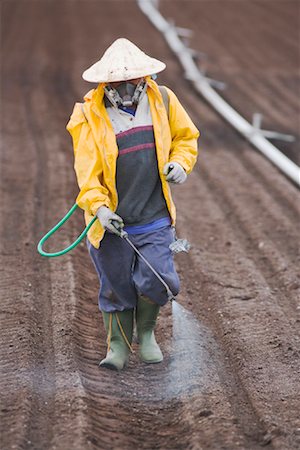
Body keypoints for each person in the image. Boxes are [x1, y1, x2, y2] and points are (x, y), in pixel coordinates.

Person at [66, 38, 200, 371]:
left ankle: (147, 333)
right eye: (117, 83)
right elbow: (87, 172)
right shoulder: (88, 115)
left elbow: (186, 138)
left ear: (144, 79)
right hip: (112, 221)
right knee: (116, 286)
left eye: (132, 81)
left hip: (154, 217)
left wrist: (181, 164)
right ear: (104, 83)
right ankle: (118, 347)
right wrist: (99, 208)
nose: (125, 88)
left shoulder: (163, 100)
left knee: (160, 279)